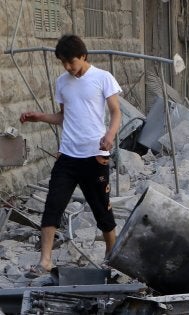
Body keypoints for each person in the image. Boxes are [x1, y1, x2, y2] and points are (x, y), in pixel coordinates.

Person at [19, 34, 122, 275]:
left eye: (71, 62)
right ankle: (45, 261)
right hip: (67, 156)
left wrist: (110, 134)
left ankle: (112, 254)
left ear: (83, 57)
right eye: (63, 63)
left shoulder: (102, 78)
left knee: (102, 209)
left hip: (95, 155)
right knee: (53, 205)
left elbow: (116, 112)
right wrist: (40, 117)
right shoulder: (62, 82)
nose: (67, 67)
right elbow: (63, 116)